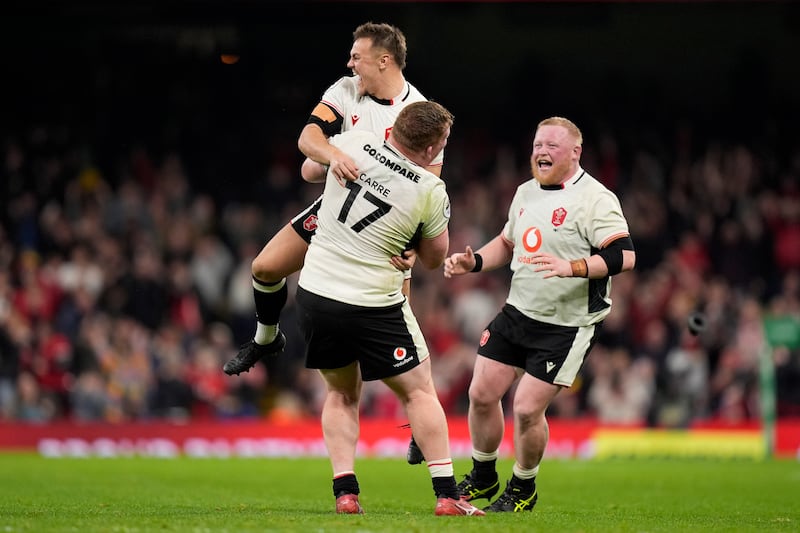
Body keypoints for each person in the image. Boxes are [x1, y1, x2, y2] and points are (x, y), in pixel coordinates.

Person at [294, 101, 483, 517]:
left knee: (341, 393)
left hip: (315, 293)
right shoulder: (430, 190)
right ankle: (447, 495)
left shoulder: (353, 143)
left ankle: (345, 492)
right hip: (371, 302)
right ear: (433, 147)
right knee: (418, 391)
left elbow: (310, 164)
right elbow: (435, 257)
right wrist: (412, 245)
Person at [223, 22, 442, 377]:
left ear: (384, 60)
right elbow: (308, 137)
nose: (350, 64)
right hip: (336, 210)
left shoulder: (419, 112)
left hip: (387, 229)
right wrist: (332, 156)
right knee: (263, 268)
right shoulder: (346, 91)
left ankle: (417, 423)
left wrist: (414, 245)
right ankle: (266, 338)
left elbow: (429, 185)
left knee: (403, 351)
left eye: (357, 56)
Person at [440, 116, 636, 512]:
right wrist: (474, 261)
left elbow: (623, 256)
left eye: (552, 145)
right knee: (480, 393)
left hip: (566, 323)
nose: (541, 152)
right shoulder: (525, 192)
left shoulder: (596, 198)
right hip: (519, 311)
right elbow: (508, 243)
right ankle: (483, 475)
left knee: (527, 408)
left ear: (576, 152)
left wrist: (573, 267)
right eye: (537, 145)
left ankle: (523, 487)